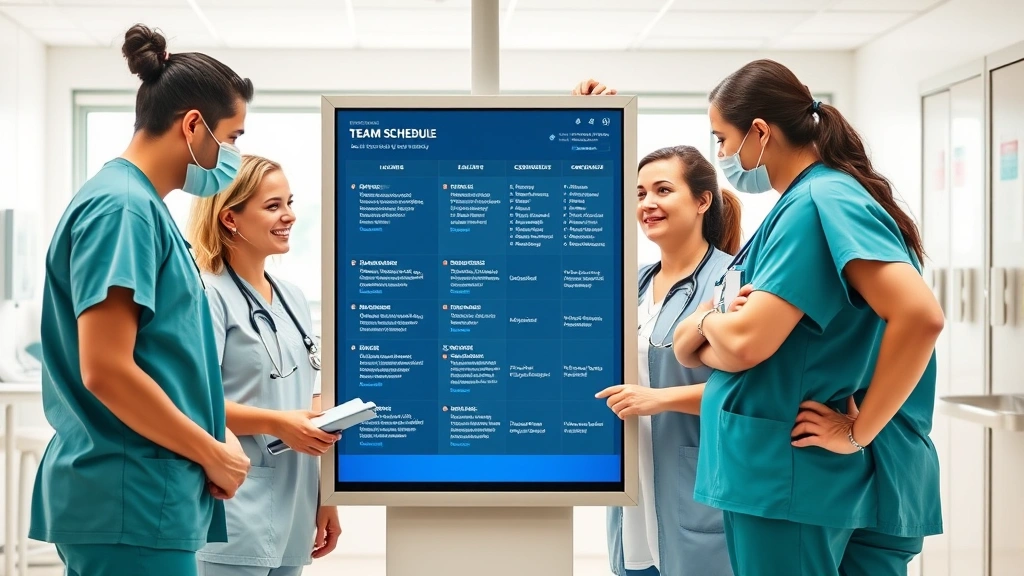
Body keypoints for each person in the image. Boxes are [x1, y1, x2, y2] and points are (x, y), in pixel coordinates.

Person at [672, 58, 944, 576]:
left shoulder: (817, 200)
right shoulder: (831, 195)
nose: (724, 156)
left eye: (722, 140)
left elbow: (746, 343)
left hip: (795, 477)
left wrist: (705, 322)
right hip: (839, 478)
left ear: (759, 132)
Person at [29, 24, 255, 576]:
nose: (234, 155)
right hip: (130, 497)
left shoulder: (142, 209)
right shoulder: (122, 210)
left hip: (145, 498)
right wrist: (210, 450)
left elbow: (164, 359)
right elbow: (105, 369)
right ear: (194, 126)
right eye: (233, 138)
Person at [577, 70, 743, 576]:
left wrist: (658, 400)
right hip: (635, 485)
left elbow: (752, 391)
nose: (647, 203)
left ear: (702, 199)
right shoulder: (630, 283)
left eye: (663, 190)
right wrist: (588, 128)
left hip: (699, 487)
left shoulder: (732, 281)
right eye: (640, 192)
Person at [186, 155, 342, 576]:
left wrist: (326, 495)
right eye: (273, 206)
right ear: (230, 219)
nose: (289, 215)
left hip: (296, 501)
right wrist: (277, 423)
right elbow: (195, 404)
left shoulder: (291, 296)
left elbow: (310, 398)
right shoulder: (205, 293)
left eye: (289, 202)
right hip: (235, 504)